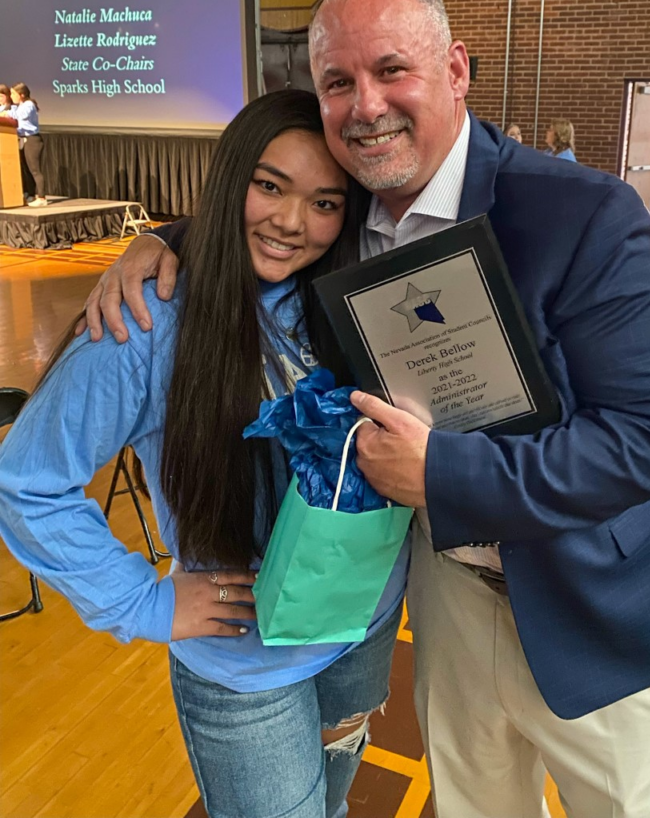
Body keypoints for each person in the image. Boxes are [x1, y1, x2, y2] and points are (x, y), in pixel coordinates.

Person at [78, 0, 650, 818]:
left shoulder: (583, 213)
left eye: (391, 71)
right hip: (448, 604)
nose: (364, 105)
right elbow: (269, 215)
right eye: (338, 82)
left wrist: (445, 477)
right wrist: (164, 239)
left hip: (603, 620)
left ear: (455, 70)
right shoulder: (347, 225)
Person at [0, 90, 408, 818]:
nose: (291, 222)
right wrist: (141, 602)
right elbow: (27, 483)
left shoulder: (356, 297)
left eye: (325, 202)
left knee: (337, 806)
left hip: (362, 634)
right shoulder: (149, 317)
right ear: (229, 182)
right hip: (246, 669)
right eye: (269, 186)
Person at [0, 83, 46, 206]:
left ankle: (41, 198)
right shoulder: (20, 105)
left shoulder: (28, 105)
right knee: (26, 170)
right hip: (23, 139)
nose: (11, 96)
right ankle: (29, 194)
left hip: (32, 140)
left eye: (13, 94)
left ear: (22, 95)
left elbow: (20, 116)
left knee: (35, 170)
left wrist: (6, 114)